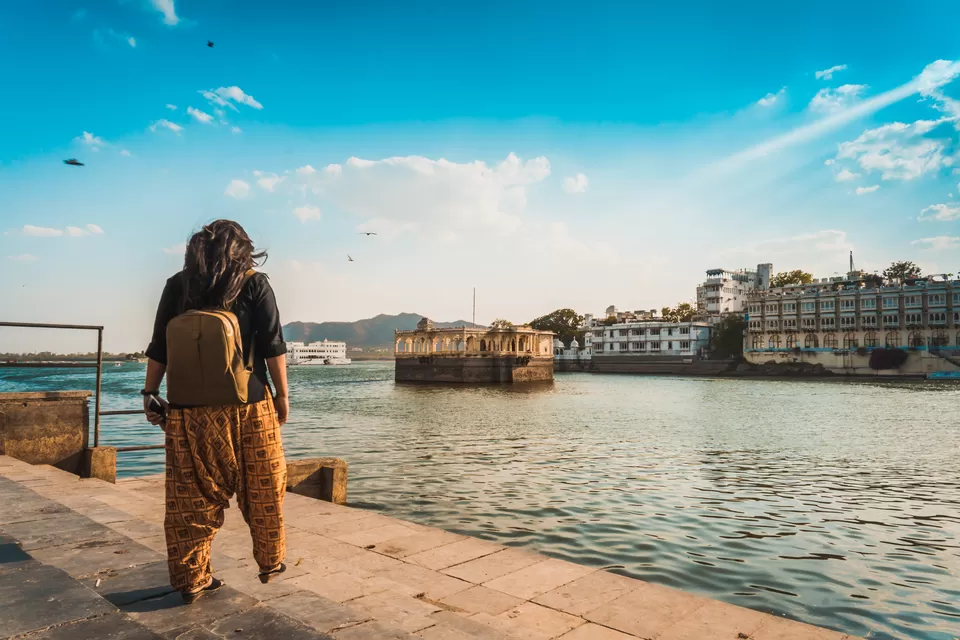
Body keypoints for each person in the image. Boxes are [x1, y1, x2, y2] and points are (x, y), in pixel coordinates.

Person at [142, 219, 290, 603]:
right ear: (243, 248)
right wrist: (283, 397)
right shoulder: (254, 282)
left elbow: (160, 345)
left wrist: (149, 392)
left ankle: (193, 579)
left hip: (188, 410)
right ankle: (269, 562)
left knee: (188, 500)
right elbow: (273, 345)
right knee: (263, 487)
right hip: (249, 405)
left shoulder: (178, 284)